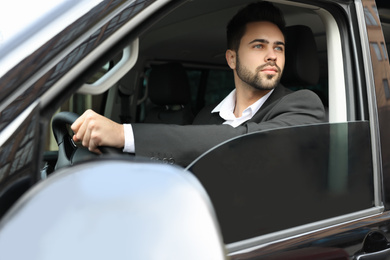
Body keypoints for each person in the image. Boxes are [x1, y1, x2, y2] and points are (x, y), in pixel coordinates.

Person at [71, 1, 325, 167]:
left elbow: (244, 141)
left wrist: (123, 134)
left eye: (278, 48)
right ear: (232, 58)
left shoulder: (303, 105)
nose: (272, 55)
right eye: (259, 45)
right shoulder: (206, 116)